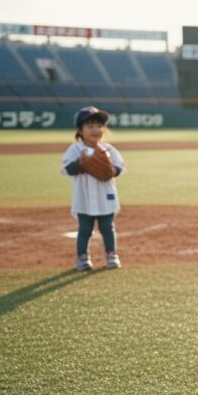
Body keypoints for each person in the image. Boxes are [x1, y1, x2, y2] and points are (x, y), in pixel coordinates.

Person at [60, 106, 126, 271]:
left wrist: (112, 170)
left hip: (106, 195)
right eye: (90, 126)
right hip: (84, 197)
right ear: (80, 130)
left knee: (107, 228)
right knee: (84, 230)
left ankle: (112, 255)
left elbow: (120, 167)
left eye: (99, 126)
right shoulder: (75, 150)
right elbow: (66, 169)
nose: (95, 129)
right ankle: (82, 258)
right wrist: (82, 164)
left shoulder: (109, 150)